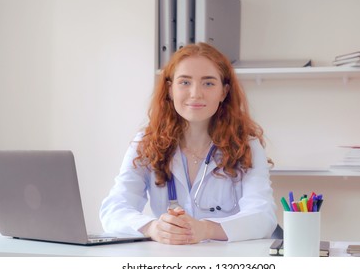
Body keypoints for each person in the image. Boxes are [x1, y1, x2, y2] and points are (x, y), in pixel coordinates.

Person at [100, 42, 277, 245]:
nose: (195, 93)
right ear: (169, 89)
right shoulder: (145, 143)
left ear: (224, 92)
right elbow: (114, 208)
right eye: (184, 82)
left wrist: (206, 229)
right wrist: (153, 228)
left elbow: (263, 217)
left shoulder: (246, 145)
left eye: (208, 83)